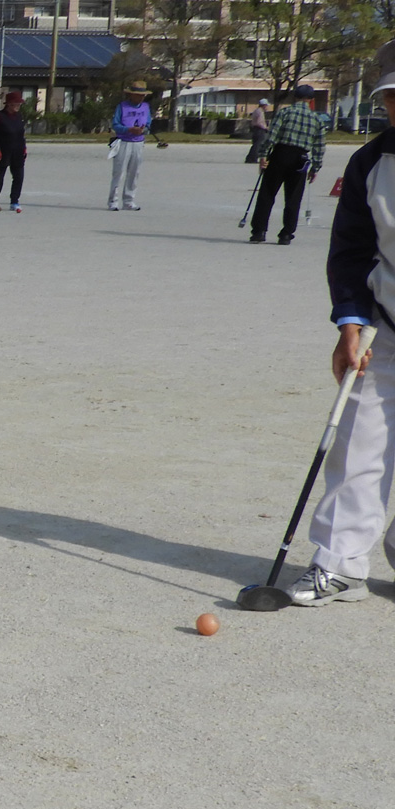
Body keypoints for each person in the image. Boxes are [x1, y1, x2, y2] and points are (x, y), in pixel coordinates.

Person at [295, 40, 395, 607]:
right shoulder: (370, 162)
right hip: (387, 327)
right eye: (393, 97)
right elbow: (353, 250)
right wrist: (350, 324)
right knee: (358, 444)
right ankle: (339, 562)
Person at [250, 84, 326, 246]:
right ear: (311, 100)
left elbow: (272, 136)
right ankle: (286, 234)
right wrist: (315, 167)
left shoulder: (284, 113)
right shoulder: (317, 119)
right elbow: (319, 146)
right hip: (300, 158)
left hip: (280, 154)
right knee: (293, 198)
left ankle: (259, 231)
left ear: (295, 97)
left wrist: (263, 155)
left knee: (267, 194)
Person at [108, 80, 152, 211]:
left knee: (134, 173)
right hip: (123, 142)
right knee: (119, 172)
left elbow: (149, 123)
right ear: (131, 95)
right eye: (139, 95)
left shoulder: (145, 107)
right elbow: (115, 125)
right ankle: (113, 201)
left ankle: (129, 200)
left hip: (138, 142)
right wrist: (128, 129)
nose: (141, 97)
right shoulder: (122, 107)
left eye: (143, 95)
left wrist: (143, 130)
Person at [0, 91, 28, 213]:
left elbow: (21, 134)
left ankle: (14, 201)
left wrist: (24, 147)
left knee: (19, 176)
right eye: (16, 103)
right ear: (9, 104)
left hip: (18, 150)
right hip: (3, 150)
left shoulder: (18, 116)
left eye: (19, 104)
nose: (18, 106)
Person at [245, 97, 270, 164]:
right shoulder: (260, 112)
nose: (267, 107)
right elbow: (259, 122)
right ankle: (253, 158)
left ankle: (250, 158)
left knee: (255, 144)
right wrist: (265, 127)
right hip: (259, 130)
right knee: (258, 145)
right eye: (266, 105)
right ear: (264, 105)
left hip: (255, 129)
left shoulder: (256, 111)